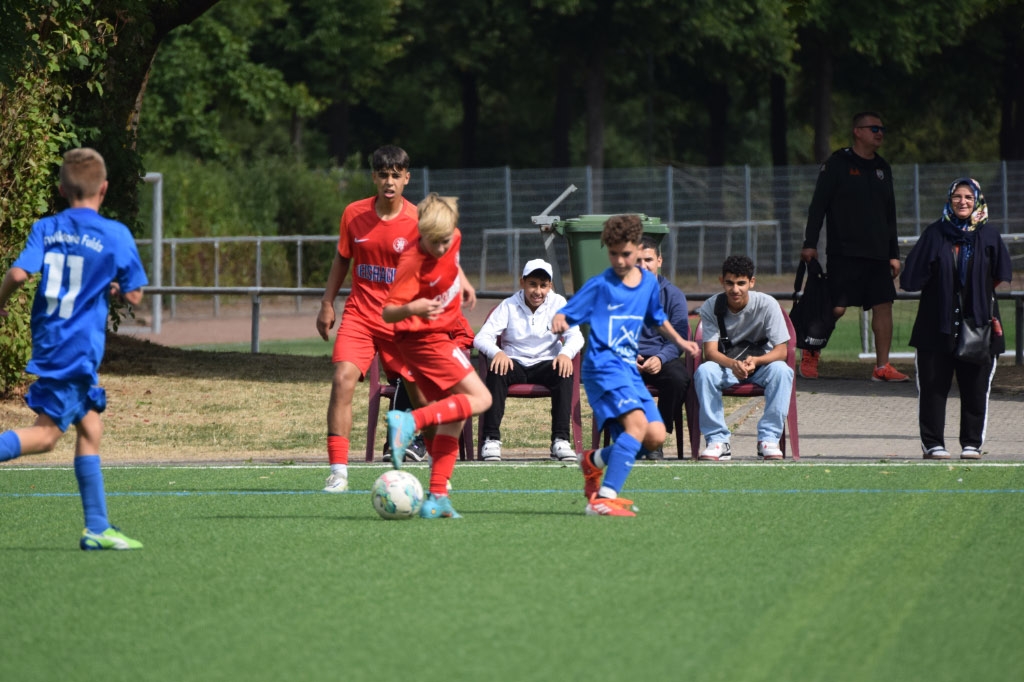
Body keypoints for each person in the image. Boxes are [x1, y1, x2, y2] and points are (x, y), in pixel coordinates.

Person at [0, 147, 148, 550]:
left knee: (90, 427)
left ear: (62, 189)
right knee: (46, 436)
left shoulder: (46, 227)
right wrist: (115, 288)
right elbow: (134, 295)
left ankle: (97, 528)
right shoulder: (115, 234)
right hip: (77, 350)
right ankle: (97, 528)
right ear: (104, 189)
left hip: (51, 341)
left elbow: (19, 273)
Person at [316, 145, 474, 493]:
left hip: (401, 322)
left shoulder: (419, 220)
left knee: (421, 397)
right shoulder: (353, 214)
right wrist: (327, 302)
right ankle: (338, 473)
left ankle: (437, 467)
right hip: (360, 316)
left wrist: (460, 283)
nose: (389, 182)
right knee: (342, 379)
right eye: (383, 175)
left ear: (406, 179)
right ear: (374, 177)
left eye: (396, 175)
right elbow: (342, 258)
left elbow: (444, 256)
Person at [550, 215, 698, 517]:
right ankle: (604, 498)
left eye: (626, 253)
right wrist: (560, 320)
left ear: (638, 248)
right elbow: (566, 313)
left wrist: (680, 342)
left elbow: (657, 318)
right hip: (603, 369)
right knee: (636, 427)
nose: (619, 260)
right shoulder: (600, 285)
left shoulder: (647, 283)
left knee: (655, 436)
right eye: (613, 253)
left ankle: (593, 461)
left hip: (628, 371)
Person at [383, 194, 491, 519]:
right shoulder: (412, 261)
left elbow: (452, 261)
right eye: (434, 242)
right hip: (423, 340)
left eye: (445, 241)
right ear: (421, 233)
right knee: (481, 398)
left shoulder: (452, 235)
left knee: (456, 415)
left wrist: (464, 282)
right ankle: (409, 421)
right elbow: (388, 312)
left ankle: (438, 497)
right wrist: (412, 307)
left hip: (436, 336)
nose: (441, 248)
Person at [900, 178, 1012, 460]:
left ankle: (971, 443)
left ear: (977, 201)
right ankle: (933, 443)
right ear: (949, 200)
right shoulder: (935, 233)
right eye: (957, 197)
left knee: (975, 387)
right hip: (936, 324)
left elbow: (998, 275)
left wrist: (973, 296)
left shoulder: (989, 236)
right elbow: (912, 277)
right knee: (933, 387)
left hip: (978, 325)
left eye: (968, 197)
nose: (963, 202)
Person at [801, 111, 908, 383]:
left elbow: (890, 215)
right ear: (858, 132)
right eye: (874, 128)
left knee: (883, 305)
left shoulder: (883, 168)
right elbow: (818, 207)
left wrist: (893, 254)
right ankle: (811, 351)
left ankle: (882, 367)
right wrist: (810, 243)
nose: (880, 133)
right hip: (844, 252)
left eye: (882, 129)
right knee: (836, 308)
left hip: (878, 255)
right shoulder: (837, 164)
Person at [474, 258, 584, 462]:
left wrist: (565, 354)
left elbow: (576, 337)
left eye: (543, 285)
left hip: (547, 363)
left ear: (550, 286)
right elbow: (481, 338)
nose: (538, 291)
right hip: (514, 362)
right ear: (522, 282)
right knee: (497, 370)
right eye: (533, 284)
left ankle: (560, 440)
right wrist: (497, 352)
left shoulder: (559, 304)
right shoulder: (508, 305)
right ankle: (491, 439)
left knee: (564, 371)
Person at [694, 255, 793, 462]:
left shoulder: (767, 304)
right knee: (704, 371)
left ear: (751, 282)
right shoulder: (712, 306)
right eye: (729, 283)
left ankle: (768, 439)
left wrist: (756, 361)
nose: (735, 289)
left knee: (783, 371)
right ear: (722, 281)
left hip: (761, 365)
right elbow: (710, 352)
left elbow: (782, 351)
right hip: (727, 366)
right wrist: (733, 364)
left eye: (741, 283)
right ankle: (718, 441)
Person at [635, 235, 693, 459]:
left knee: (678, 379)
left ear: (659, 261)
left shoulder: (674, 295)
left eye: (648, 260)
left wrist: (660, 358)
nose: (643, 266)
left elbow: (679, 337)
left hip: (663, 357)